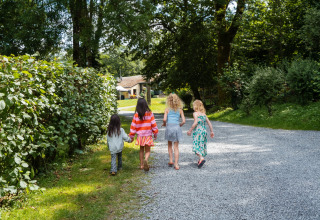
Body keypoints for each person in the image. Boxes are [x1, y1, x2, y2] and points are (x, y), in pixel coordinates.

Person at [129, 98, 158, 171]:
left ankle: (142, 164)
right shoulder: (150, 113)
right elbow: (153, 124)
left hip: (140, 136)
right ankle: (146, 159)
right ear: (146, 105)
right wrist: (155, 132)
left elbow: (133, 126)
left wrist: (131, 136)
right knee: (147, 150)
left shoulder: (136, 115)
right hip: (148, 135)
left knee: (141, 150)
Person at [187, 100, 214, 168]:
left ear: (195, 106)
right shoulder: (204, 114)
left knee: (196, 145)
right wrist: (211, 131)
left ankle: (201, 158)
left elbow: (196, 122)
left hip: (198, 132)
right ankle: (200, 160)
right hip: (204, 131)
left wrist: (190, 130)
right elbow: (209, 123)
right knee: (201, 145)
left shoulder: (195, 113)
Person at [162, 93, 185, 170]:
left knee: (169, 145)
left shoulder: (167, 109)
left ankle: (171, 160)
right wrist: (180, 125)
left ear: (169, 101)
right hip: (176, 127)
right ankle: (176, 164)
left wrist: (164, 124)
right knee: (176, 147)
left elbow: (164, 119)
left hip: (169, 127)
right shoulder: (180, 110)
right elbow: (184, 121)